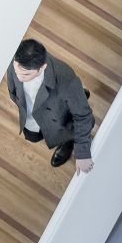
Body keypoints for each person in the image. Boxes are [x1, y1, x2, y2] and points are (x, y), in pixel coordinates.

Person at [6, 38, 95, 175]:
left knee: (66, 128)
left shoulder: (66, 79)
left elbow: (84, 117)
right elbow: (13, 80)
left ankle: (68, 141)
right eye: (16, 71)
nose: (19, 77)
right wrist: (14, 96)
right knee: (34, 136)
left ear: (42, 67)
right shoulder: (15, 61)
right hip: (32, 113)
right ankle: (79, 96)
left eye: (25, 74)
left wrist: (82, 154)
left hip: (59, 114)